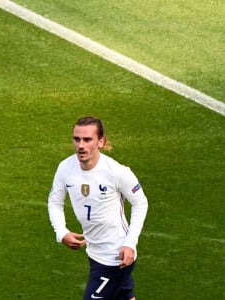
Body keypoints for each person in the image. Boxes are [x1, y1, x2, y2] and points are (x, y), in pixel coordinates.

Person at [48, 116, 148, 300]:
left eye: (87, 140)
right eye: (76, 139)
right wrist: (61, 232)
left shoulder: (117, 172)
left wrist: (130, 243)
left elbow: (140, 202)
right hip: (94, 252)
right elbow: (55, 202)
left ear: (101, 142)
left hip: (115, 256)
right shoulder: (65, 168)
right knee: (125, 296)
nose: (81, 145)